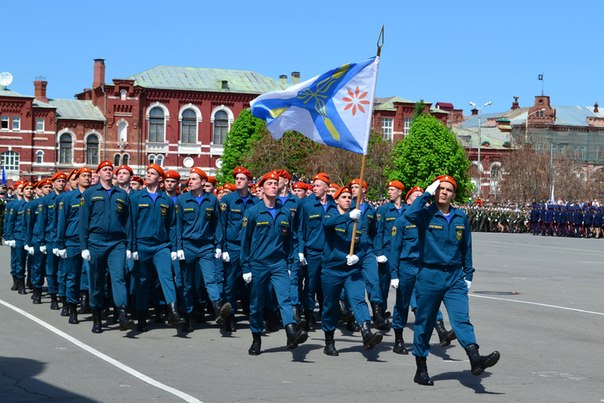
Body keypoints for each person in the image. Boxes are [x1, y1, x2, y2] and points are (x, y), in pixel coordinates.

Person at [404, 175, 500, 386]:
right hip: (429, 275)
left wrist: (469, 274)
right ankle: (421, 369)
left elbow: (466, 247)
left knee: (461, 319)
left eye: (448, 189)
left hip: (455, 276)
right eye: (440, 188)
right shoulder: (425, 214)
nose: (444, 192)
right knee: (425, 323)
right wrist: (426, 194)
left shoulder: (459, 217)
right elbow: (408, 215)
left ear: (454, 194)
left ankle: (475, 359)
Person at [240, 171, 308, 355]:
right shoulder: (253, 212)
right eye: (269, 183)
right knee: (256, 304)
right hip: (258, 264)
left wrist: (289, 263)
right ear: (261, 188)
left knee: (285, 299)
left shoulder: (285, 213)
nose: (273, 186)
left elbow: (291, 241)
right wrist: (245, 267)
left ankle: (291, 332)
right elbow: (244, 242)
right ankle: (256, 337)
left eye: (275, 183)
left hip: (278, 263)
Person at [321, 186, 382, 356]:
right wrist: (348, 216)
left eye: (350, 197)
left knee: (358, 299)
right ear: (336, 199)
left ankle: (366, 332)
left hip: (351, 269)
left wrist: (358, 257)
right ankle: (329, 340)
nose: (348, 199)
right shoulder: (330, 214)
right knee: (329, 306)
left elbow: (364, 244)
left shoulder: (359, 220)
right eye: (344, 197)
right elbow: (327, 224)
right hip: (332, 269)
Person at [80, 161, 133, 333]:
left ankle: (122, 314)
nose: (109, 172)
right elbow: (83, 221)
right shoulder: (89, 193)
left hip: (117, 242)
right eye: (105, 170)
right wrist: (84, 246)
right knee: (96, 281)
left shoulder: (121, 194)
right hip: (95, 242)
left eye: (111, 170)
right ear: (99, 173)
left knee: (118, 278)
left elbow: (128, 222)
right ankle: (97, 318)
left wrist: (129, 246)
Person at [176, 167, 232, 333]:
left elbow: (217, 225)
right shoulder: (182, 199)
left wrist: (219, 246)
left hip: (206, 246)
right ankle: (187, 317)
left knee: (211, 279)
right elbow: (178, 225)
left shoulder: (212, 200)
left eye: (194, 179)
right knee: (187, 284)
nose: (190, 181)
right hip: (188, 245)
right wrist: (178, 247)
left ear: (202, 182)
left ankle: (218, 308)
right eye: (190, 179)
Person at [219, 167, 258, 330]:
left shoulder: (256, 202)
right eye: (237, 178)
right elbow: (221, 225)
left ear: (249, 182)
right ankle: (230, 317)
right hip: (233, 246)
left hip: (250, 247)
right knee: (230, 283)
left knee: (253, 282)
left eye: (242, 178)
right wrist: (223, 248)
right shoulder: (227, 200)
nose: (239, 181)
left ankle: (254, 314)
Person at [298, 173, 336, 331]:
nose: (314, 188)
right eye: (313, 185)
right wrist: (301, 250)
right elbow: (300, 229)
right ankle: (308, 316)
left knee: (328, 286)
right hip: (313, 252)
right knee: (311, 285)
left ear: (327, 187)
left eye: (318, 185)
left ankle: (326, 314)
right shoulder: (306, 204)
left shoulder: (335, 204)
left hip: (331, 252)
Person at [56, 167, 92, 324]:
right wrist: (60, 244)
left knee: (90, 274)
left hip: (91, 241)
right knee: (72, 275)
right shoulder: (69, 198)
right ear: (77, 179)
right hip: (73, 241)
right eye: (83, 176)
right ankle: (71, 307)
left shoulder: (95, 196)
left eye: (89, 176)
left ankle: (88, 302)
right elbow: (62, 222)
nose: (87, 178)